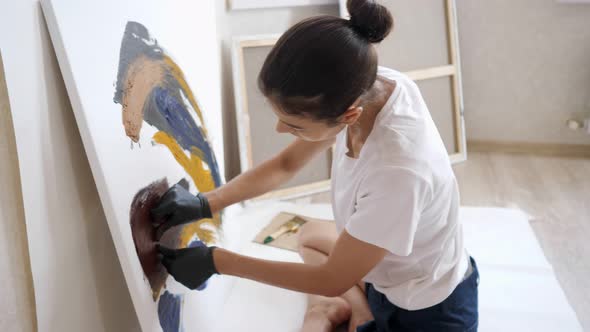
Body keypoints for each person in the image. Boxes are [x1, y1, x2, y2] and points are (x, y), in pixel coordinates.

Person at [152, 0, 479, 331]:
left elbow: (331, 278)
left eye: (294, 126)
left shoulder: (399, 170)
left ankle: (350, 316)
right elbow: (286, 164)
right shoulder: (364, 85)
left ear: (349, 114)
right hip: (386, 275)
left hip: (427, 311)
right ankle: (358, 313)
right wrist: (205, 203)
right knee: (307, 234)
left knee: (324, 302)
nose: (282, 131)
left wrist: (217, 261)